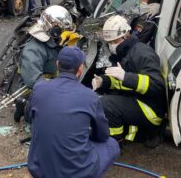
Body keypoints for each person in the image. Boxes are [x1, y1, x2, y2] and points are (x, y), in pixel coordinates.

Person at [27, 46, 120, 178]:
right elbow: (102, 135)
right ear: (80, 68)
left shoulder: (39, 88)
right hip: (77, 173)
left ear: (57, 64)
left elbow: (30, 117)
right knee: (112, 144)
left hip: (39, 169)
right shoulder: (90, 96)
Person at [92, 15, 166, 146]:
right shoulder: (125, 52)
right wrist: (103, 81)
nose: (111, 45)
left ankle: (114, 143)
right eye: (109, 42)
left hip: (150, 109)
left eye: (114, 41)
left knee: (107, 104)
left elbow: (157, 85)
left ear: (125, 35)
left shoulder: (142, 52)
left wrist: (126, 77)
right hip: (139, 99)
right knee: (106, 97)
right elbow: (121, 83)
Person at [14, 5, 74, 122]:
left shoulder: (55, 43)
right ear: (54, 30)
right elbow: (34, 81)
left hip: (53, 84)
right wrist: (61, 91)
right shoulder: (33, 50)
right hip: (33, 90)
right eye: (62, 29)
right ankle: (25, 108)